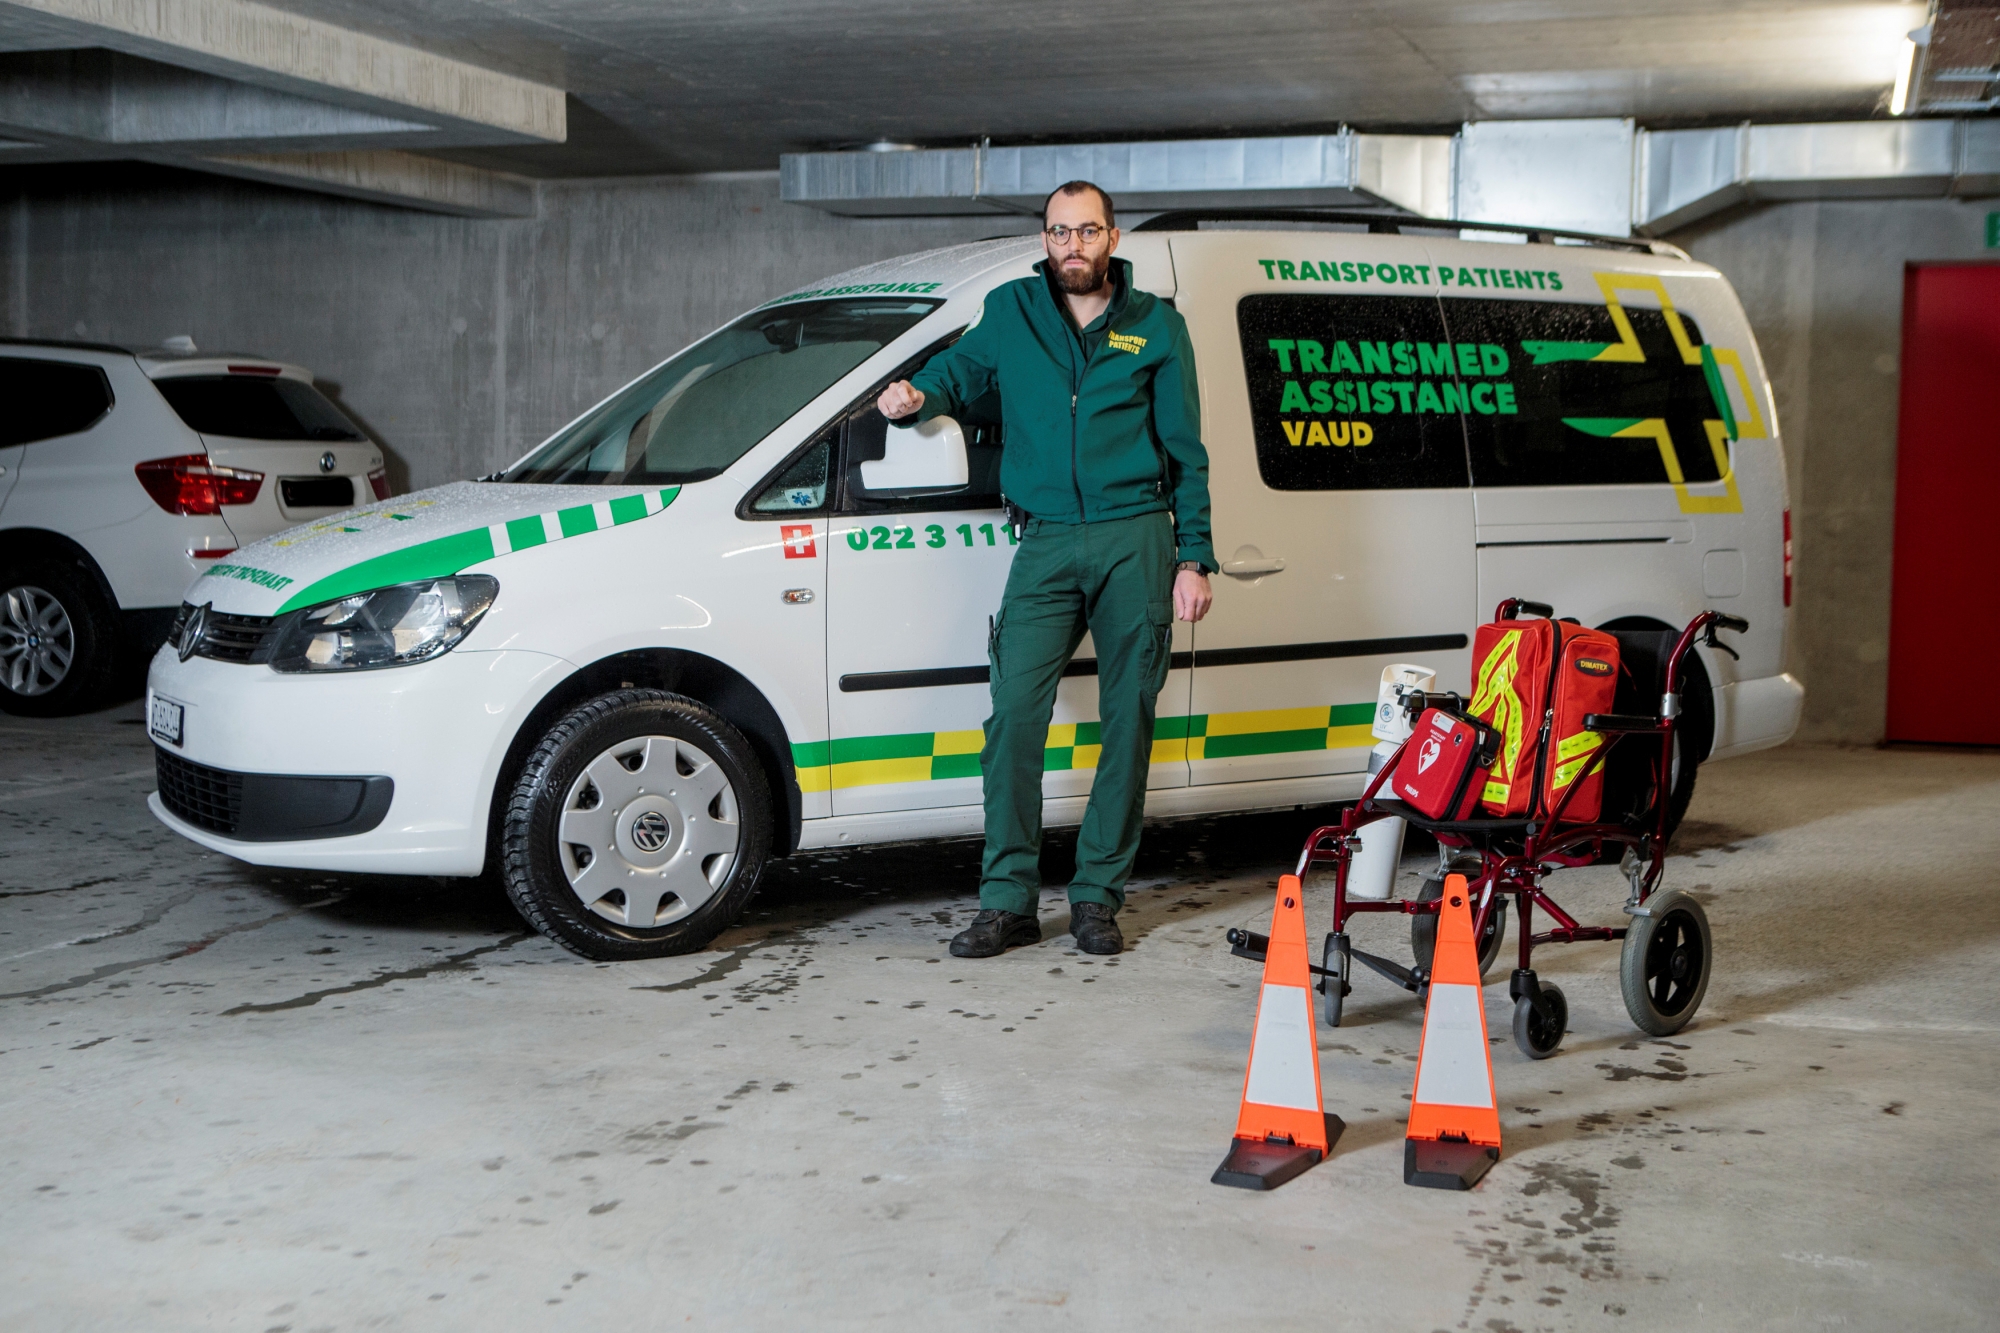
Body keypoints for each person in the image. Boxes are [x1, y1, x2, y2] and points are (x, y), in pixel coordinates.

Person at [877, 180, 1215, 958]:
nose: (1073, 247)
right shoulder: (1011, 312)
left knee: (1127, 721)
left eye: (1087, 232)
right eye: (1059, 233)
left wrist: (1193, 556)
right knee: (1014, 720)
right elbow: (956, 378)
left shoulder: (1157, 327)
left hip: (1137, 535)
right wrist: (915, 395)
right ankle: (1008, 901)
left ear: (1113, 238)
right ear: (1045, 241)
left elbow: (1188, 452)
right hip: (1048, 538)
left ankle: (1098, 896)